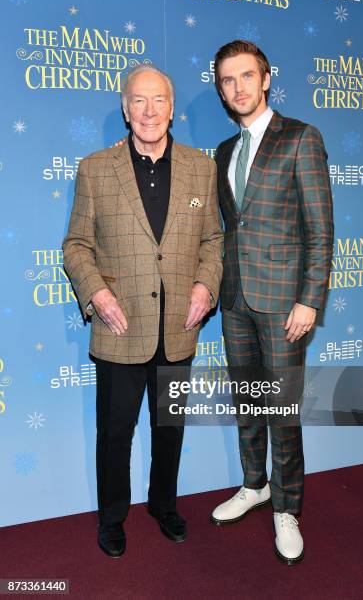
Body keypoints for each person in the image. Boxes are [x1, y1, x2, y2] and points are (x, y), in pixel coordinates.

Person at [63, 64, 223, 558]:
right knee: (114, 433)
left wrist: (205, 285)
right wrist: (98, 295)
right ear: (125, 108)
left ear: (172, 109)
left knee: (169, 426)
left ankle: (163, 504)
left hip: (179, 326)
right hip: (119, 326)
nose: (149, 110)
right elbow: (75, 245)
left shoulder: (202, 166)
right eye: (139, 100)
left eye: (158, 101)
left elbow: (214, 240)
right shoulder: (95, 168)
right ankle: (113, 517)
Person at [210, 40, 334, 565]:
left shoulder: (301, 138)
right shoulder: (223, 151)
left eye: (246, 76)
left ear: (265, 79)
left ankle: (288, 509)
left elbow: (320, 231)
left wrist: (310, 300)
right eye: (226, 81)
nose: (237, 88)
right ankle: (254, 484)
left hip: (285, 304)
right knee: (248, 404)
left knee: (281, 411)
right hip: (235, 298)